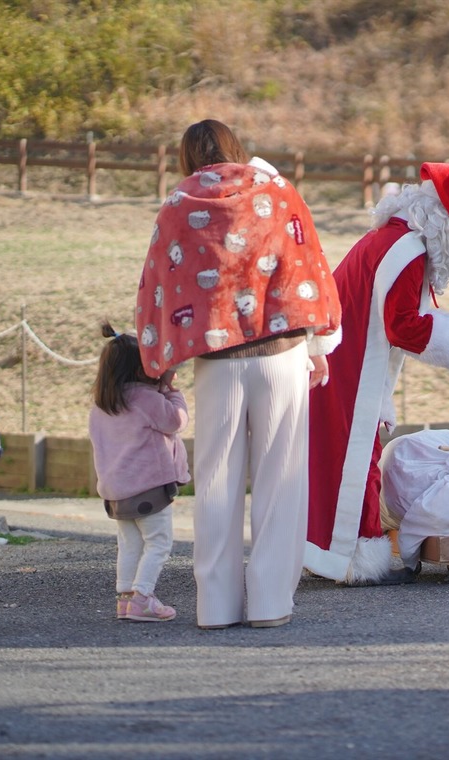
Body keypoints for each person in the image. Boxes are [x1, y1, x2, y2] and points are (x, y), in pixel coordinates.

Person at [136, 119, 342, 629]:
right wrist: (319, 345)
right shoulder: (277, 190)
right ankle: (271, 604)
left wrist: (161, 363)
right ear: (237, 149)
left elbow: (159, 281)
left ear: (188, 157)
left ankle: (215, 608)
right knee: (281, 478)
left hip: (217, 360)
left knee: (216, 481)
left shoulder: (177, 205)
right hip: (281, 354)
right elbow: (306, 264)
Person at [305, 162, 449, 586]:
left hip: (343, 358)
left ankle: (333, 551)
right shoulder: (409, 249)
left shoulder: (392, 238)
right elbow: (401, 324)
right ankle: (354, 556)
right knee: (354, 461)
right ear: (447, 216)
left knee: (336, 459)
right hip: (349, 367)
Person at [88, 321, 190, 623]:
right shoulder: (146, 399)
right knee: (159, 543)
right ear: (140, 368)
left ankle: (125, 599)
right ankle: (143, 596)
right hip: (148, 489)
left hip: (116, 491)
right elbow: (176, 421)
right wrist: (174, 391)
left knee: (129, 543)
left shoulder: (102, 405)